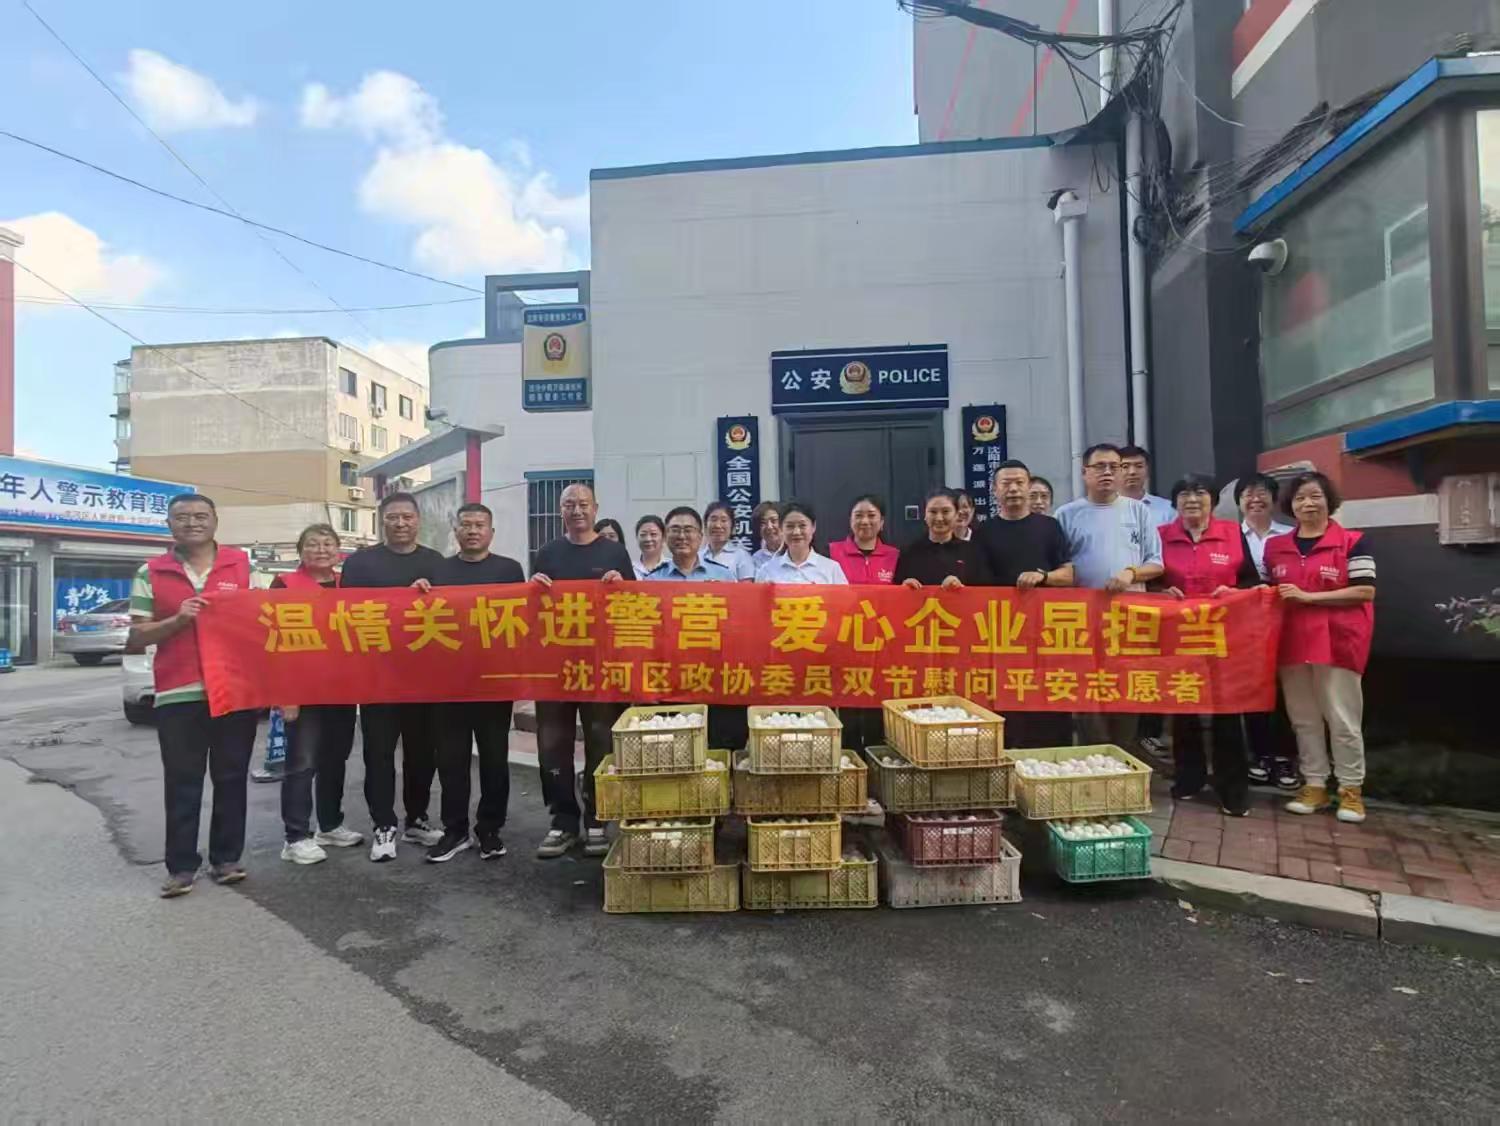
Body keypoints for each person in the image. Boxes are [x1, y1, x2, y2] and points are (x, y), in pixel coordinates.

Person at [127, 493, 257, 898]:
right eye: (182, 517)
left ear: (215, 520)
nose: (192, 523)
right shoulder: (150, 572)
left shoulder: (244, 565)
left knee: (231, 778)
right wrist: (178, 619)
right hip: (178, 693)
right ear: (169, 524)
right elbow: (136, 636)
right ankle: (181, 867)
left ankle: (227, 859)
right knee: (183, 781)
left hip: (234, 691)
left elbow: (270, 621)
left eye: (201, 516)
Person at [409, 504, 526, 863]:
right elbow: (418, 618)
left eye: (480, 525)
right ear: (455, 530)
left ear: (491, 532)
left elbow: (525, 617)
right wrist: (415, 593)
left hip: (493, 682)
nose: (473, 530)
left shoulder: (509, 570)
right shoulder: (437, 571)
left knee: (494, 759)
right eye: (466, 525)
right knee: (451, 760)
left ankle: (489, 829)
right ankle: (455, 830)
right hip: (449, 684)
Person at [1265, 472, 1376, 824]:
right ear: (1290, 505)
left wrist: (1309, 597)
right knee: (1303, 718)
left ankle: (1351, 790)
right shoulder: (1275, 547)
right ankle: (1314, 784)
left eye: (1315, 496)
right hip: (1291, 642)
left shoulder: (1353, 542)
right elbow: (1266, 593)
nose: (1308, 504)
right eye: (1300, 498)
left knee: (1342, 718)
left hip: (1338, 641)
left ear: (1329, 501)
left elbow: (1365, 590)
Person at [340, 491, 445, 862]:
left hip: (423, 678)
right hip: (377, 678)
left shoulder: (435, 563)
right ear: (381, 520)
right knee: (379, 754)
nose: (400, 523)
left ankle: (416, 819)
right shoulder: (359, 564)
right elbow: (345, 616)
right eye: (393, 517)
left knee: (422, 753)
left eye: (407, 517)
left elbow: (451, 615)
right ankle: (383, 825)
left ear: (418, 520)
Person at [532, 483, 634, 858]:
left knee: (600, 743)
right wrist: (532, 589)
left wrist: (620, 586)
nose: (577, 510)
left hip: (600, 666)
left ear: (595, 509)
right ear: (561, 511)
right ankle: (562, 821)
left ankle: (596, 820)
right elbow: (533, 611)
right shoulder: (548, 553)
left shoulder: (614, 552)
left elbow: (635, 606)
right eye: (569, 505)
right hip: (555, 667)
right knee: (552, 746)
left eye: (583, 504)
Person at [1156, 475, 1262, 817]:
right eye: (1184, 494)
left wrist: (1234, 592)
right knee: (1183, 705)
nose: (1192, 499)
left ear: (1213, 501)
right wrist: (1161, 592)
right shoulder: (1161, 536)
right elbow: (1151, 580)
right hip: (1178, 634)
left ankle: (1232, 788)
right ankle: (1189, 778)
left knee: (1226, 710)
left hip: (1224, 635)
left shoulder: (1232, 533)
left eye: (1200, 493)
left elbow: (1252, 580)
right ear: (1175, 503)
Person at [1054, 443, 1164, 748]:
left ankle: (1124, 753)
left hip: (1128, 619)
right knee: (1086, 690)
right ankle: (1095, 756)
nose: (1107, 473)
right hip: (1082, 620)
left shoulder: (1138, 511)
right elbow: (1059, 567)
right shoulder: (1066, 514)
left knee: (1126, 688)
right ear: (1084, 473)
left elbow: (1156, 563)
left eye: (1114, 467)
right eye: (1099, 466)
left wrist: (1131, 573)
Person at [273, 524, 362, 865]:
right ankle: (295, 836)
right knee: (302, 762)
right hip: (302, 688)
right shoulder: (284, 584)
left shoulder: (348, 584)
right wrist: (284, 692)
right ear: (301, 551)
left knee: (334, 758)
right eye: (313, 544)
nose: (321, 550)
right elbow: (273, 640)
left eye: (328, 544)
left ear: (338, 551)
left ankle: (330, 825)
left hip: (341, 687)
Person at [973, 461, 1074, 748]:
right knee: (1005, 699)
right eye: (1006, 483)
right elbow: (975, 584)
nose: (1014, 489)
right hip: (1002, 634)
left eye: (1019, 482)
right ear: (994, 491)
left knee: (1047, 698)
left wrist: (1043, 576)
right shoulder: (983, 532)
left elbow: (1069, 574)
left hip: (1045, 633)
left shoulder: (1049, 527)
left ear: (1030, 487)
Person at [646, 507, 741, 748]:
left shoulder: (724, 576)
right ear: (666, 536)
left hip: (714, 675)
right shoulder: (652, 581)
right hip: (672, 678)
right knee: (676, 746)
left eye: (688, 530)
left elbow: (738, 625)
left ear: (700, 536)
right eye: (675, 530)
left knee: (719, 745)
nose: (682, 536)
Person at [1235, 473, 1298, 789]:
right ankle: (1259, 755)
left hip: (1287, 623)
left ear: (1274, 499)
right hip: (1244, 627)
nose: (1255, 499)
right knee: (1252, 690)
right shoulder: (1230, 537)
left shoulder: (1290, 535)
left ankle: (1285, 757)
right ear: (1239, 502)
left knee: (1286, 692)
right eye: (1247, 494)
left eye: (1261, 493)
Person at [895, 486, 990, 589]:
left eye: (945, 511)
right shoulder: (909, 552)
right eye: (933, 512)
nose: (939, 518)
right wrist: (904, 587)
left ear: (957, 514)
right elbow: (894, 590)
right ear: (925, 515)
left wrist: (961, 588)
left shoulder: (972, 552)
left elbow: (984, 591)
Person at [754, 501, 848, 584]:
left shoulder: (831, 569)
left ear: (813, 527)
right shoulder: (767, 570)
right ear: (781, 528)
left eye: (802, 525)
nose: (796, 532)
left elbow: (844, 598)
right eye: (790, 526)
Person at [828, 494, 899, 584]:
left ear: (882, 521)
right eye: (858, 515)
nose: (864, 521)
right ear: (850, 520)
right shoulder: (831, 552)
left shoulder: (894, 556)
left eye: (871, 515)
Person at [1119, 445, 1176, 527]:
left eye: (1139, 466)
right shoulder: (1103, 509)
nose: (1132, 472)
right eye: (1125, 466)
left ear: (1147, 470)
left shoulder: (1167, 509)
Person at [700, 500, 757, 580]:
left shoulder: (742, 557)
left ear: (732, 527)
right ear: (705, 525)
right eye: (713, 519)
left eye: (724, 520)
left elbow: (747, 587)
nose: (718, 525)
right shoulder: (697, 557)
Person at [750, 500, 784, 572]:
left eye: (774, 521)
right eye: (763, 523)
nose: (769, 527)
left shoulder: (794, 552)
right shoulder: (755, 559)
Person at [633, 514, 665, 579]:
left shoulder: (673, 568)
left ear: (663, 538)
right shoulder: (630, 568)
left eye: (653, 534)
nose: (648, 539)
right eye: (643, 535)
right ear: (637, 537)